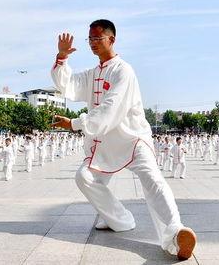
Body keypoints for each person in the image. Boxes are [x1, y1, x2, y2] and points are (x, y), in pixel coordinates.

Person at [50, 19, 196, 260]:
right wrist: (62, 57)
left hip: (132, 138)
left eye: (98, 39)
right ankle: (120, 220)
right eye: (90, 40)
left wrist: (75, 124)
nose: (93, 44)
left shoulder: (123, 71)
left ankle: (176, 233)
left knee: (153, 180)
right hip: (104, 143)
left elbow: (111, 107)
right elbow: (68, 86)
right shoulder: (92, 74)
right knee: (83, 176)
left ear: (112, 39)